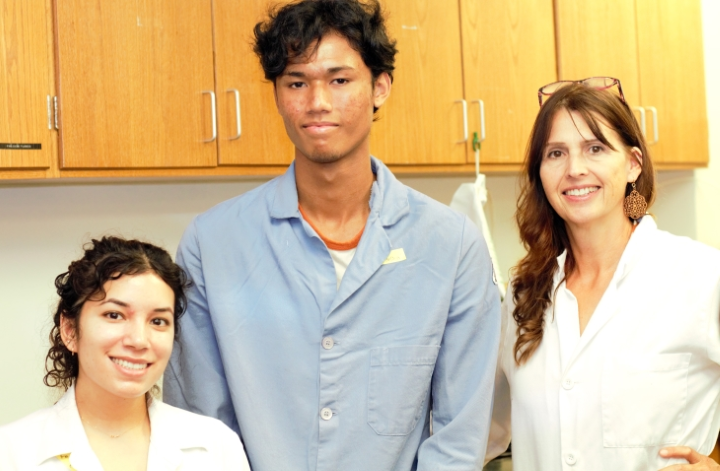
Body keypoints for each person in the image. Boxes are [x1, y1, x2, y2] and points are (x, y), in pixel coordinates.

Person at [162, 0, 501, 469]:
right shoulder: (211, 245)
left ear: (380, 87)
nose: (317, 102)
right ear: (277, 95)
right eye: (296, 82)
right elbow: (201, 430)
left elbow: (457, 439)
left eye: (339, 81)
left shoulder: (452, 247)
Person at [485, 78, 720, 470]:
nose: (575, 169)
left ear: (633, 164)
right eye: (555, 153)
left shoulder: (701, 276)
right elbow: (483, 430)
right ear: (540, 173)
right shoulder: (524, 296)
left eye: (595, 148)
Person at [0, 236, 250, 470]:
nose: (139, 340)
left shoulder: (216, 447)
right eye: (114, 315)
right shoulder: (12, 452)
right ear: (70, 330)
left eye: (158, 321)